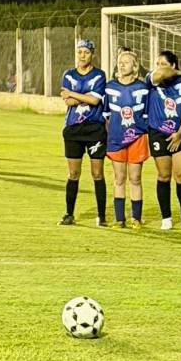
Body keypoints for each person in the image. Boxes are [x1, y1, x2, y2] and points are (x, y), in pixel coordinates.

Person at [58, 39, 108, 227]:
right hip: (73, 129)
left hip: (95, 129)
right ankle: (69, 214)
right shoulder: (69, 75)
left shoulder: (99, 75)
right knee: (74, 173)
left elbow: (95, 101)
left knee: (97, 173)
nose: (82, 55)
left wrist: (74, 94)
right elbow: (67, 101)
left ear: (92, 54)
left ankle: (101, 216)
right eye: (79, 52)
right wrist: (84, 97)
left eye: (86, 52)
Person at [147, 50, 181, 231]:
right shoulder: (152, 79)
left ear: (174, 64)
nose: (158, 67)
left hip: (180, 133)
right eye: (157, 63)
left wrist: (180, 133)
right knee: (164, 175)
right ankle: (166, 218)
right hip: (157, 133)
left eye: (163, 63)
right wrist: (171, 70)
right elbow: (161, 74)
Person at [103, 48, 150, 229]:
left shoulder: (143, 89)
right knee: (119, 178)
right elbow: (106, 116)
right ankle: (119, 219)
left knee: (135, 178)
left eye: (126, 62)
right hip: (116, 139)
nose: (122, 65)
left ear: (135, 66)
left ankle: (136, 218)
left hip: (137, 138)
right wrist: (113, 134)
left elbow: (147, 115)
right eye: (120, 62)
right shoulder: (110, 87)